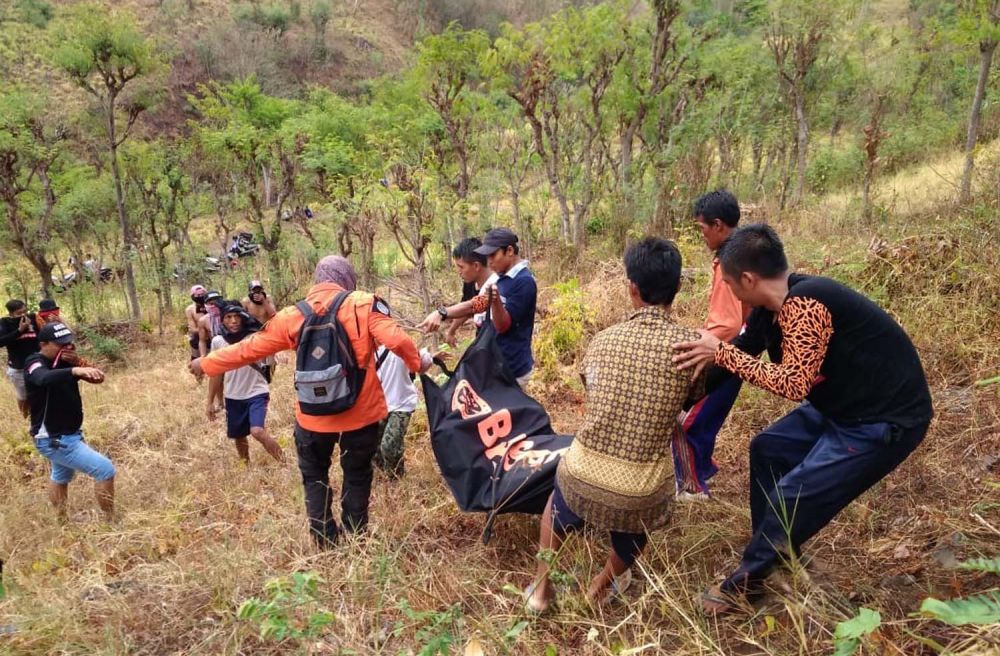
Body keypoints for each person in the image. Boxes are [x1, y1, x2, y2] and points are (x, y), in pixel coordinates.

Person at [671, 224, 933, 614]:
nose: (727, 289)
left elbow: (793, 383)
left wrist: (720, 352)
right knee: (768, 449)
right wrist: (684, 398)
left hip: (881, 420)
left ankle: (745, 584)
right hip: (841, 406)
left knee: (793, 494)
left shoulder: (808, 303)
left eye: (728, 281)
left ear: (748, 279)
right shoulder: (770, 309)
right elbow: (745, 349)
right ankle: (775, 553)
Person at [190, 255, 436, 547]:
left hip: (312, 417)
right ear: (347, 277)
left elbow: (249, 348)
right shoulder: (364, 304)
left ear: (317, 279)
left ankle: (324, 539)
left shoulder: (293, 314)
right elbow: (397, 341)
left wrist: (207, 363)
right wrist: (418, 364)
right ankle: (356, 536)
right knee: (357, 473)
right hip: (361, 414)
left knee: (314, 475)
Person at [524, 237, 704, 613]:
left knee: (557, 504)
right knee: (637, 526)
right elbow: (691, 397)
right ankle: (600, 588)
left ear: (631, 288)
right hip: (639, 489)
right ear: (678, 286)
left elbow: (592, 389)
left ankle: (540, 591)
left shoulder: (603, 341)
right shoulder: (692, 348)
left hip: (581, 474)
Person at [672, 190, 751, 501]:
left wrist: (698, 345)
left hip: (725, 355)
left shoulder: (728, 261)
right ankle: (701, 469)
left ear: (718, 225)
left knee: (687, 421)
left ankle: (692, 487)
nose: (702, 235)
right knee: (706, 418)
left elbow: (727, 324)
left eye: (702, 228)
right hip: (742, 350)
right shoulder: (746, 249)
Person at [418, 228, 537, 388]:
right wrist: (442, 313)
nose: (489, 261)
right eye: (487, 256)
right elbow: (475, 305)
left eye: (493, 255)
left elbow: (503, 326)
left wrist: (495, 301)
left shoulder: (523, 282)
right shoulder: (501, 278)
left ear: (509, 251)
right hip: (495, 366)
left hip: (511, 370)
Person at [24, 322, 116, 522]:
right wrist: (74, 371)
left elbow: (98, 378)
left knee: (60, 476)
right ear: (44, 344)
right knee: (104, 469)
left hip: (69, 433)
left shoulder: (67, 362)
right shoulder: (34, 362)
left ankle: (62, 521)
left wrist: (79, 364)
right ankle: (110, 521)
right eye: (60, 344)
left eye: (68, 343)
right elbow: (42, 378)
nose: (66, 348)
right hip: (53, 437)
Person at [207, 302, 282, 464]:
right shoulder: (218, 341)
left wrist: (272, 355)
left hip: (257, 392)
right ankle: (245, 466)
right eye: (228, 317)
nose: (233, 321)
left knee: (257, 431)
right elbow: (216, 373)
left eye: (237, 317)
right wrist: (210, 401)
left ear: (243, 317)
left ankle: (284, 463)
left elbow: (269, 360)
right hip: (233, 395)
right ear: (222, 320)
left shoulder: (254, 337)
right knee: (239, 435)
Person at [372, 344, 418, 479]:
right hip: (378, 405)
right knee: (373, 446)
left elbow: (419, 361)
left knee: (390, 445)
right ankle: (383, 476)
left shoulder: (400, 344)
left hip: (401, 405)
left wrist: (431, 358)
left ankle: (395, 478)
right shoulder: (366, 348)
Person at [443, 237, 497, 348]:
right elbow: (466, 310)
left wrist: (441, 313)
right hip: (482, 339)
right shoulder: (470, 282)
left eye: (461, 267)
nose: (459, 272)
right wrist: (451, 331)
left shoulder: (496, 285)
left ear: (476, 266)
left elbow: (470, 307)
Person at [0, 299, 40, 417]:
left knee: (40, 392)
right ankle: (25, 417)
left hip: (37, 364)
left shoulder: (33, 318)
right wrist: (19, 331)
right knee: (23, 396)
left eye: (24, 311)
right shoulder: (5, 323)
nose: (23, 315)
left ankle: (38, 417)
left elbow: (44, 334)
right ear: (11, 314)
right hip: (18, 366)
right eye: (19, 313)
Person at [197, 291, 225, 358]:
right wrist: (203, 356)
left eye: (217, 302)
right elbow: (202, 341)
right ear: (206, 305)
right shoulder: (203, 320)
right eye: (211, 303)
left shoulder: (229, 315)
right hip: (216, 348)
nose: (214, 305)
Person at [185, 285, 209, 361]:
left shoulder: (212, 306)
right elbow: (193, 329)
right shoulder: (190, 310)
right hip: (198, 337)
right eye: (198, 295)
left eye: (202, 294)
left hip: (213, 335)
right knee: (194, 340)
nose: (200, 296)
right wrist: (204, 331)